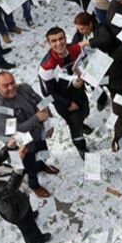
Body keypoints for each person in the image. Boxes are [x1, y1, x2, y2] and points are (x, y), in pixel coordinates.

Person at [0, 71, 60, 198]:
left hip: (38, 133)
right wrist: (36, 118)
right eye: (5, 86)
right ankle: (34, 185)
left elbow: (41, 102)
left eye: (12, 82)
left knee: (43, 151)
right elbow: (15, 131)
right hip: (22, 145)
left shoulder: (24, 88)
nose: (11, 87)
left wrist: (50, 120)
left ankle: (42, 165)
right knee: (29, 166)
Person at [38, 28, 90, 159]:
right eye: (53, 41)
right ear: (49, 44)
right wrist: (67, 104)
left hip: (78, 91)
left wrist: (82, 79)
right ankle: (81, 146)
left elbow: (84, 65)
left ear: (65, 39)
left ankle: (82, 123)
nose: (58, 43)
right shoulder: (46, 66)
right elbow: (48, 93)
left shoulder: (75, 49)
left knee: (85, 111)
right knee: (74, 125)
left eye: (61, 39)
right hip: (63, 101)